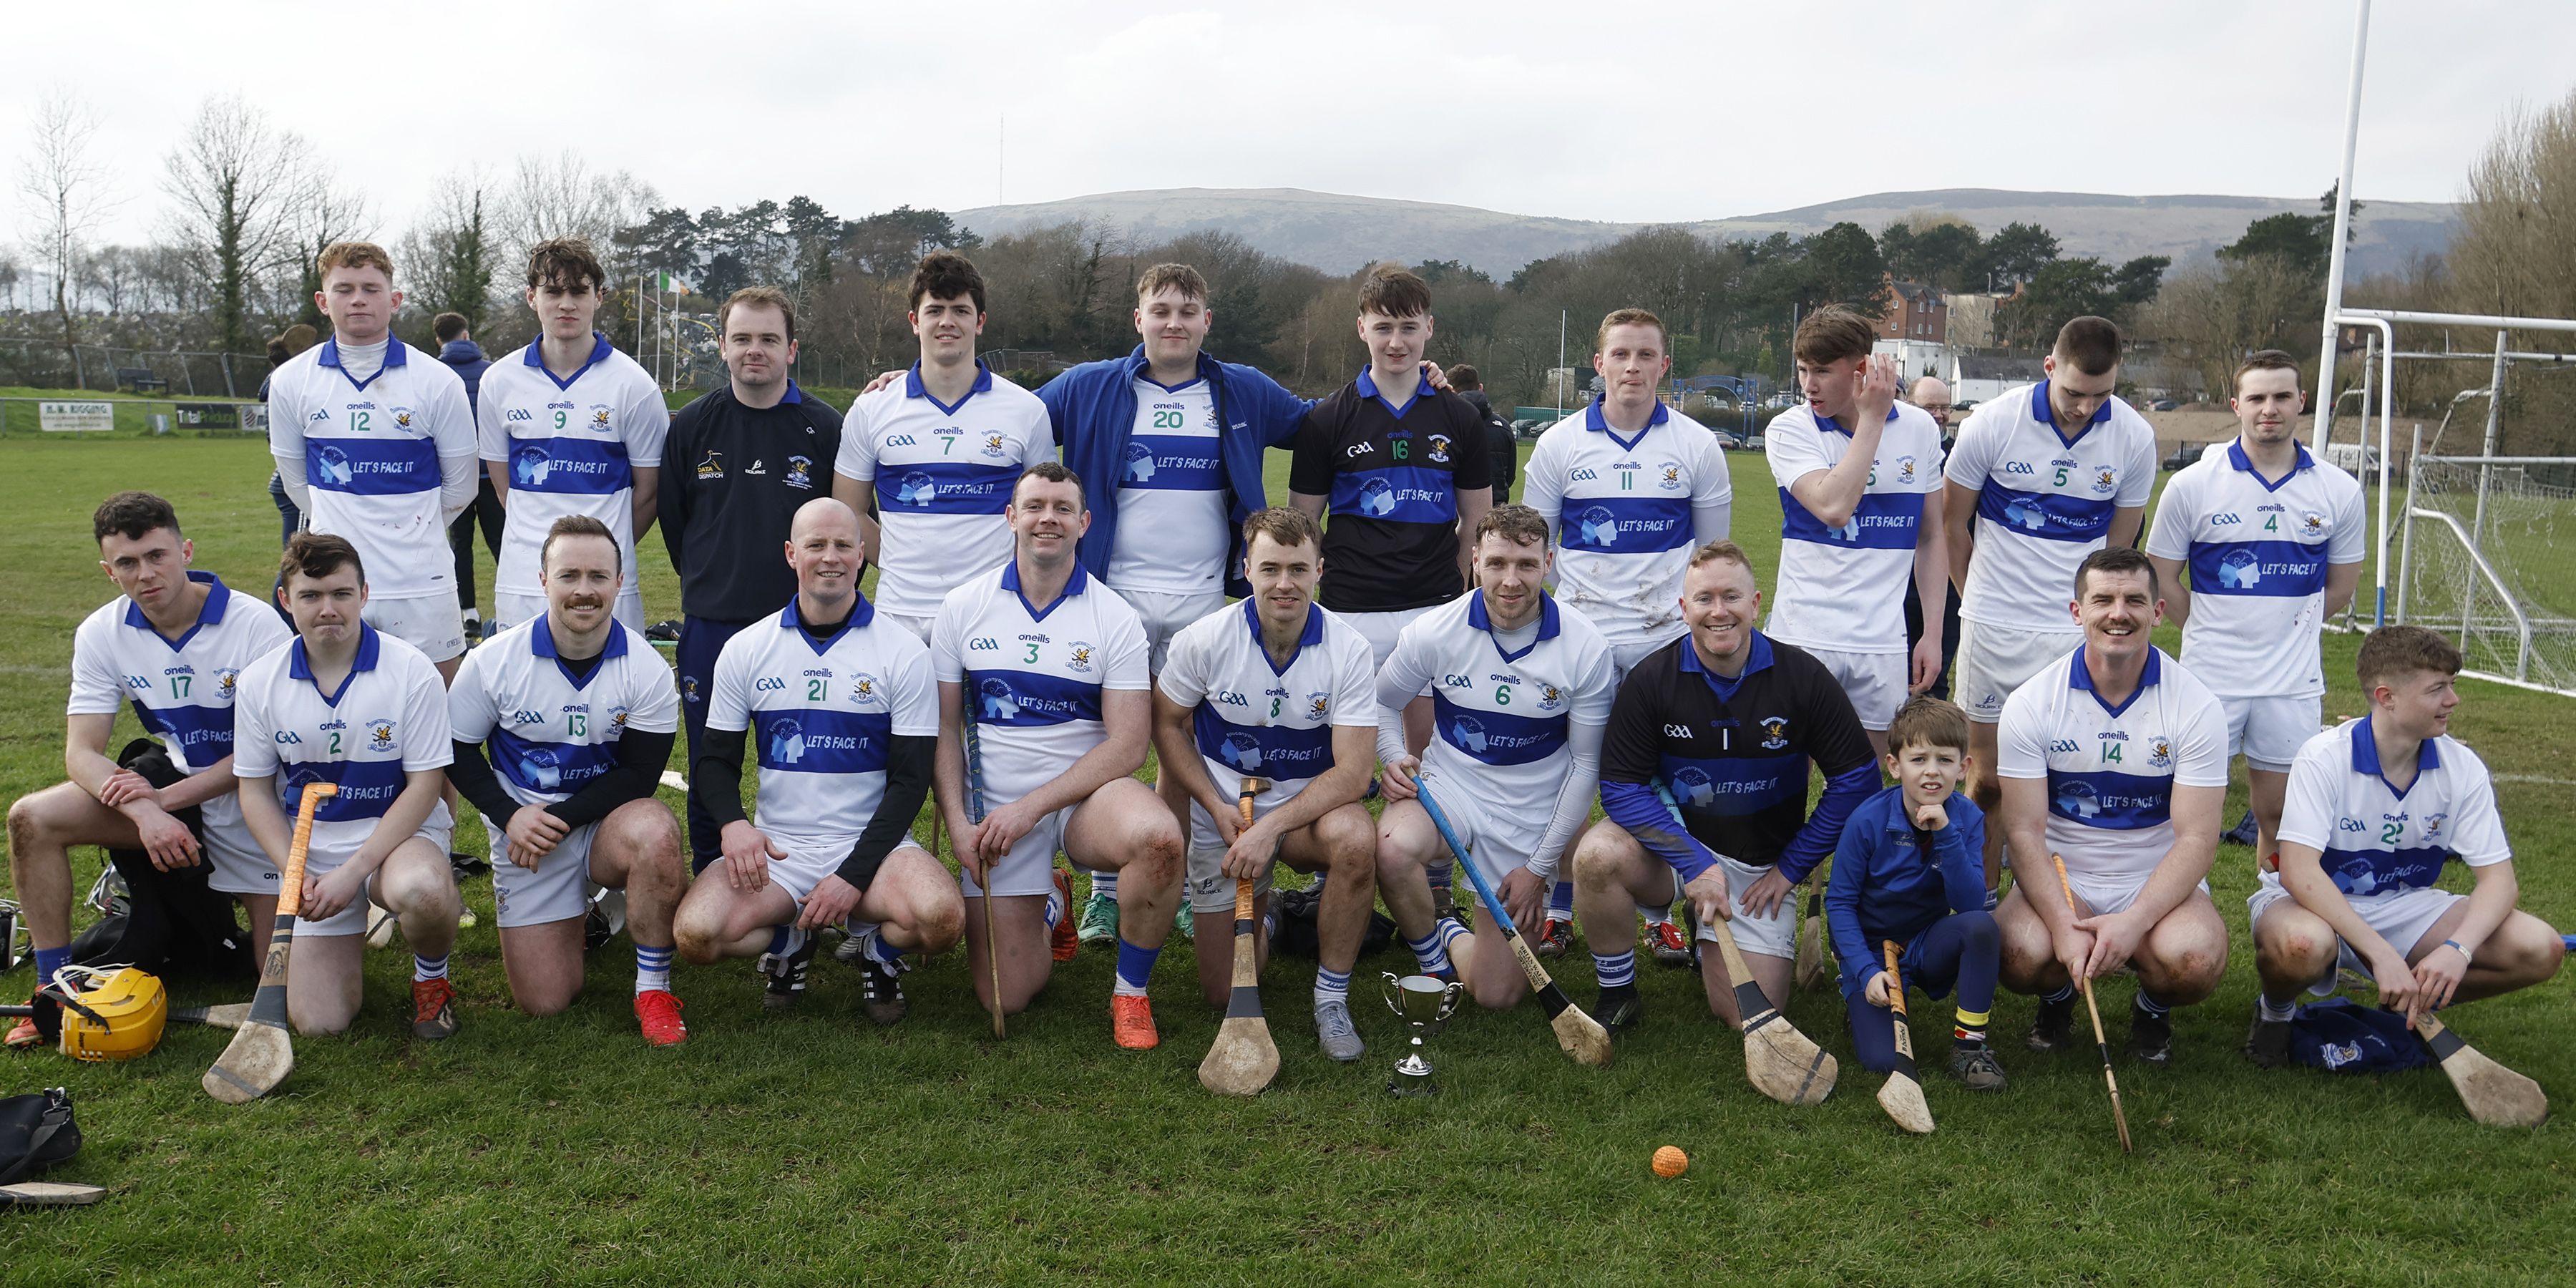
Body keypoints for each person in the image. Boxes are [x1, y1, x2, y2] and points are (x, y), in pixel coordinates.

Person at [1038, 264, 1319, 946]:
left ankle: (1185, 886)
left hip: (1202, 602)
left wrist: (1418, 382)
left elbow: (1326, 423)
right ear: (1138, 319)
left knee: (1183, 743)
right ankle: (1106, 892)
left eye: (1187, 311)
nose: (1174, 322)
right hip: (1111, 597)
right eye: (1160, 310)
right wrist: (918, 380)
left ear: (1206, 322)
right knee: (1106, 740)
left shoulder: (1242, 388)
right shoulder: (1089, 384)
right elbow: (1005, 414)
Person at [4, 492, 293, 1048]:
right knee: (31, 818)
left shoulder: (256, 625)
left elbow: (267, 755)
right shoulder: (101, 631)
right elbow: (81, 753)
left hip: (258, 803)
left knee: (293, 996)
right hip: (174, 797)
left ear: (186, 551)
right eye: (128, 563)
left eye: (157, 556)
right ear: (108, 572)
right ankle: (53, 987)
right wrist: (145, 812)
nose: (146, 574)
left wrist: (163, 804)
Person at [671, 499, 962, 1025]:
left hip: (875, 849)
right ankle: (791, 944)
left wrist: (853, 875)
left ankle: (876, 953)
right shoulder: (746, 648)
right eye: (816, 545)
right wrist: (734, 826)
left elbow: (910, 780)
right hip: (780, 851)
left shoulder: (903, 651)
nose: (831, 557)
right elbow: (714, 761)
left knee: (941, 919)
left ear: (861, 555)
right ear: (791, 554)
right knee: (697, 935)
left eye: (843, 545)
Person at [1570, 541, 1878, 1029]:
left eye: (1731, 597)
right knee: (1596, 856)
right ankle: (1618, 993)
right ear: (1683, 608)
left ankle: (1704, 932)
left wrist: (1790, 868)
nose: (1719, 612)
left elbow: (1858, 780)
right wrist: (1694, 862)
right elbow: (1622, 788)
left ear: (1755, 604)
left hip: (1759, 867)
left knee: (1746, 1014)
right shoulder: (1652, 680)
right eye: (1704, 599)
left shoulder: (1802, 678)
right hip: (1674, 852)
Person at [932, 464, 1185, 1048]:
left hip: (1084, 798)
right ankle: (1052, 903)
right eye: (1036, 506)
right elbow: (943, 728)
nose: (1048, 518)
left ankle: (1131, 993)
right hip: (994, 811)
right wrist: (958, 823)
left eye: (1063, 509)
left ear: (1084, 523)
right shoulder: (963, 607)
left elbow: (1129, 743)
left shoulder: (1114, 617)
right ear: (1011, 517)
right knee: (1006, 997)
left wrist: (1034, 807)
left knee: (1159, 840)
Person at [2244, 626, 2564, 1066]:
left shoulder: (2462, 767)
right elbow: (2298, 871)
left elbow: (2500, 883)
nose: (2453, 700)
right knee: (2302, 945)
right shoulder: (2324, 757)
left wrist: (2457, 950)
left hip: (2405, 905)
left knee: (2540, 947)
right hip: (2309, 903)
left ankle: (2408, 1004)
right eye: (2437, 689)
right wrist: (2381, 954)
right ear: (2386, 697)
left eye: (2452, 685)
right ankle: (2276, 1013)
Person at [1519, 308, 1732, 961]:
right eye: (1621, 354)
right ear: (1599, 364)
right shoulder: (1559, 444)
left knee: (1663, 777)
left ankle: (1658, 911)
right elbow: (1536, 550)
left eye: (1645, 355)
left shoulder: (1697, 444)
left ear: (1664, 365)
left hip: (1666, 642)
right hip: (1579, 641)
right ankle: (1560, 907)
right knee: (1566, 775)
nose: (1633, 367)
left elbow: (1712, 557)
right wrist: (1575, 615)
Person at [445, 516, 691, 1045]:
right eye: (569, 576)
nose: (584, 590)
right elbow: (456, 749)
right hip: (523, 835)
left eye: (598, 576)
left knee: (655, 830)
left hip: (598, 827)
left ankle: (653, 988)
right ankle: (592, 914)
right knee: (546, 1001)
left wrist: (553, 821)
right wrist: (510, 816)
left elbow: (640, 775)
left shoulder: (646, 668)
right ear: (543, 581)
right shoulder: (493, 661)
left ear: (619, 582)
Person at [1152, 507, 1381, 1060]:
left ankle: (1331, 998)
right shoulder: (1204, 640)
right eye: (1270, 568)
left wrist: (1271, 828)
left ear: (1319, 570)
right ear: (1247, 569)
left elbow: (1355, 772)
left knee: (1356, 840)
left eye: (1298, 569)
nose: (1284, 584)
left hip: (1306, 817)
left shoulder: (1349, 648)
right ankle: (1271, 915)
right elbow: (1166, 723)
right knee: (1220, 991)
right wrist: (1214, 805)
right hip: (1227, 819)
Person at [1941, 316, 2157, 888]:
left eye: (2101, 395)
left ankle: (2057, 901)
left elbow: (2118, 552)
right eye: (2074, 393)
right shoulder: (1993, 423)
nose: (2086, 408)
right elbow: (1953, 524)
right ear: (2048, 368)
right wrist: (1976, 601)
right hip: (1995, 628)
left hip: (2074, 635)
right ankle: (1984, 902)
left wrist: (2096, 620)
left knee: (2068, 778)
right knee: (1987, 779)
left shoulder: (2135, 437)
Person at [1372, 506, 1616, 1010]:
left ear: (1548, 563)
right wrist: (1394, 756)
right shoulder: (1435, 629)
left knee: (1497, 995)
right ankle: (1434, 963)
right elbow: (1381, 700)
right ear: (1476, 562)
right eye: (1498, 563)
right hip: (1451, 790)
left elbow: (1586, 767)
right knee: (1393, 848)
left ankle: (1449, 927)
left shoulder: (1586, 647)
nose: (1511, 580)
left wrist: (1537, 868)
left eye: (1526, 564)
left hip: (1531, 811)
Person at [1993, 547, 2228, 1063]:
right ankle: (2057, 997)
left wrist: (2135, 920)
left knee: (2194, 961)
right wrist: (2062, 925)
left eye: (2134, 601)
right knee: (2016, 954)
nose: (2118, 613)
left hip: (2154, 875)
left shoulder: (2197, 706)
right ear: (2077, 612)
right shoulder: (2031, 703)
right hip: (2066, 874)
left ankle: (2152, 1009)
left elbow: (2197, 838)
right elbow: (2025, 832)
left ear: (2158, 612)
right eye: (2102, 600)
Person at [230, 533, 465, 1038]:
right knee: (320, 1023)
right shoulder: (258, 681)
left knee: (423, 890)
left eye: (341, 593)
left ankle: (431, 979)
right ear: (285, 600)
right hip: (314, 854)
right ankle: (355, 930)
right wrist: (294, 872)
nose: (328, 609)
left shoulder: (412, 671)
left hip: (399, 840)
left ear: (364, 594)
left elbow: (426, 785)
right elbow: (254, 791)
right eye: (311, 596)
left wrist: (355, 871)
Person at [2144, 350, 2365, 866]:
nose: (2270, 408)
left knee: (2282, 817)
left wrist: (2290, 630)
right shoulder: (2193, 484)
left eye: (2282, 396)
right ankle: (2178, 905)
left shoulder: (2338, 489)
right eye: (2258, 398)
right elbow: (2160, 578)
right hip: (2209, 678)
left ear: (2301, 401)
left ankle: (2274, 904)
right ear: (2236, 404)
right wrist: (2206, 626)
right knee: (2183, 815)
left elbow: (2340, 588)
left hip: (2291, 684)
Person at [660, 287, 844, 871]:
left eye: (768, 339)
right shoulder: (693, 424)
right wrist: (711, 580)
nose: (754, 350)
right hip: (711, 626)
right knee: (711, 758)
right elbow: (674, 521)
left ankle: (803, 871)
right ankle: (711, 871)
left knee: (797, 760)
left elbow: (845, 529)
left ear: (791, 349)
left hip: (799, 631)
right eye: (741, 338)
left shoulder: (823, 427)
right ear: (723, 346)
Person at [1288, 265, 1495, 756]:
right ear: (1362, 328)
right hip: (1350, 606)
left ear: (1429, 327)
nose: (1396, 342)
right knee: (1347, 759)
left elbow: (1478, 523)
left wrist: (1453, 584)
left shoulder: (1461, 417)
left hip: (1433, 606)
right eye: (1383, 327)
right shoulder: (1327, 418)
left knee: (1424, 757)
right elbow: (1303, 526)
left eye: (1408, 327)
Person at [266, 241, 478, 676]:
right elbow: (296, 483)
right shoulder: (290, 381)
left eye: (371, 289)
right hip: (333, 581)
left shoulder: (438, 380)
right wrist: (345, 531)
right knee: (339, 700)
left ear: (394, 300)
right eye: (344, 289)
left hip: (421, 579)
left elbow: (462, 485)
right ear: (323, 301)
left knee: (438, 700)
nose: (358, 299)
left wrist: (412, 528)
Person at [831, 250, 1055, 643]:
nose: (947, 321)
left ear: (980, 322)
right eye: (934, 310)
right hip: (901, 614)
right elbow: (848, 511)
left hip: (994, 612)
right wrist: (899, 563)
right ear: (915, 321)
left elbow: (1042, 512)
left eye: (960, 310)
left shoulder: (1026, 410)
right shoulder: (871, 409)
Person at [1765, 307, 1950, 759]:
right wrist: (1872, 420)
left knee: (1871, 776)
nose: (1809, 385)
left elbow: (1930, 537)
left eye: (1823, 371)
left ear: (1862, 368)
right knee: (1786, 775)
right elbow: (1833, 508)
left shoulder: (1920, 428)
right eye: (1803, 370)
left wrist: (1932, 633)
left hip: (1881, 642)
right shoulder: (1789, 429)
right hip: (1803, 633)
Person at [476, 239, 668, 635]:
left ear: (598, 297)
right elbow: (504, 489)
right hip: (523, 578)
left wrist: (601, 555)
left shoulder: (634, 384)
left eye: (579, 291)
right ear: (532, 297)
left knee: (610, 675)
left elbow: (649, 493)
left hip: (605, 581)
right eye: (553, 291)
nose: (567, 304)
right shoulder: (498, 381)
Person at [1826, 696, 2006, 1091]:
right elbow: (1838, 904)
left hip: (1927, 939)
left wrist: (1946, 834)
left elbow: (1970, 903)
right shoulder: (1866, 821)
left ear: (1963, 768)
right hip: (1874, 947)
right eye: (1919, 759)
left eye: (1945, 760)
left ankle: (1969, 1047)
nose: (1932, 771)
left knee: (1981, 928)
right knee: (1881, 1060)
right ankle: (1857, 990)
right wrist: (1865, 969)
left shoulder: (1968, 817)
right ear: (1895, 766)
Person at [435, 311, 502, 641]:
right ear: (466, 335)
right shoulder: (493, 373)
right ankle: (512, 608)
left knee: (459, 546)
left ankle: (468, 614)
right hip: (491, 475)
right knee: (501, 543)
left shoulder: (432, 375)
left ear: (439, 340)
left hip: (453, 477)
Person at [1901, 376, 1963, 701]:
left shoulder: (1959, 456)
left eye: (1944, 407)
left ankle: (1931, 732)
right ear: (1908, 405)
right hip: (1897, 578)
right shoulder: (1894, 451)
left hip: (1947, 584)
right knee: (1892, 673)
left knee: (1934, 677)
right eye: (1930, 407)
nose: (1939, 415)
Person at [1447, 364, 1516, 506]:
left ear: (1451, 390)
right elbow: (1509, 477)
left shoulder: (1445, 424)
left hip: (1457, 510)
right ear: (1480, 387)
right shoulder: (1503, 427)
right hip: (1496, 511)